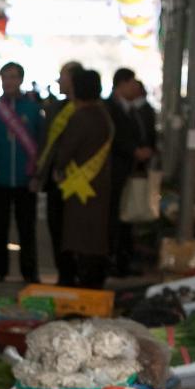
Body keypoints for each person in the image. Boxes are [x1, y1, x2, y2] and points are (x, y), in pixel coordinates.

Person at [41, 68, 114, 288]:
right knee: (96, 235)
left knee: (81, 237)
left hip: (79, 187)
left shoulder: (80, 116)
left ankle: (84, 282)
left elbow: (65, 151)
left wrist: (58, 169)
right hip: (99, 185)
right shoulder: (104, 114)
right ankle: (93, 278)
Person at [0, 62, 43, 284]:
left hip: (26, 180)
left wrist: (37, 175)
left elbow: (41, 143)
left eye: (14, 77)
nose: (9, 81)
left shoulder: (34, 110)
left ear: (21, 79)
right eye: (5, 76)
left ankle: (30, 271)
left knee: (27, 228)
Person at [36, 60, 83, 285]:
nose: (59, 82)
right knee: (56, 229)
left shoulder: (87, 110)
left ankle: (75, 272)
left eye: (62, 77)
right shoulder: (55, 108)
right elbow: (48, 143)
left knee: (75, 230)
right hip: (56, 181)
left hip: (81, 182)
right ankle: (63, 273)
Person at [106, 68, 156, 276]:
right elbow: (113, 138)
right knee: (114, 219)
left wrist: (146, 150)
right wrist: (133, 150)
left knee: (126, 218)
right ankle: (113, 261)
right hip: (115, 172)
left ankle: (124, 262)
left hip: (131, 171)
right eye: (133, 82)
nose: (136, 86)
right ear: (122, 84)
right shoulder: (109, 108)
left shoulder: (135, 110)